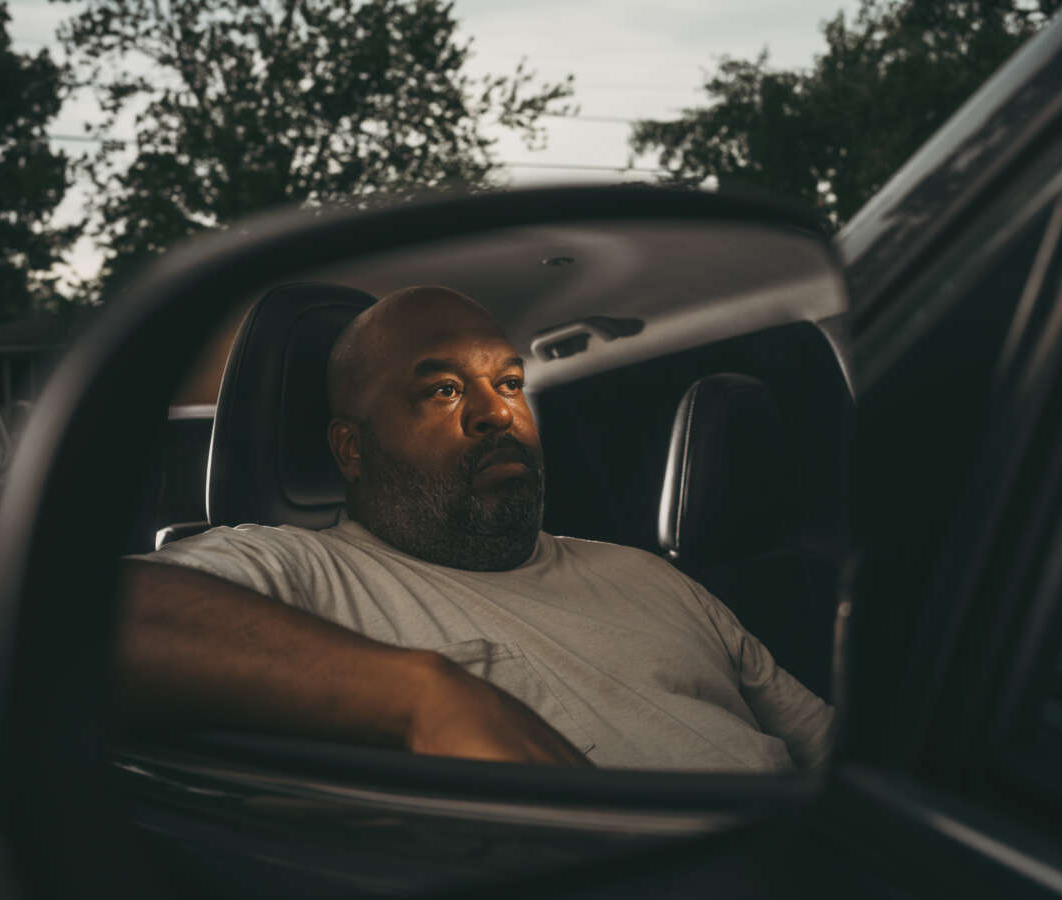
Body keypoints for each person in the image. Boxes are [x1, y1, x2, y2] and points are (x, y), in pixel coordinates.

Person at [117, 285, 834, 772]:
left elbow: (830, 748)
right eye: (444, 390)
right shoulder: (301, 574)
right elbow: (86, 619)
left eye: (510, 383)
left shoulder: (649, 575)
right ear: (351, 450)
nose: (497, 414)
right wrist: (423, 696)